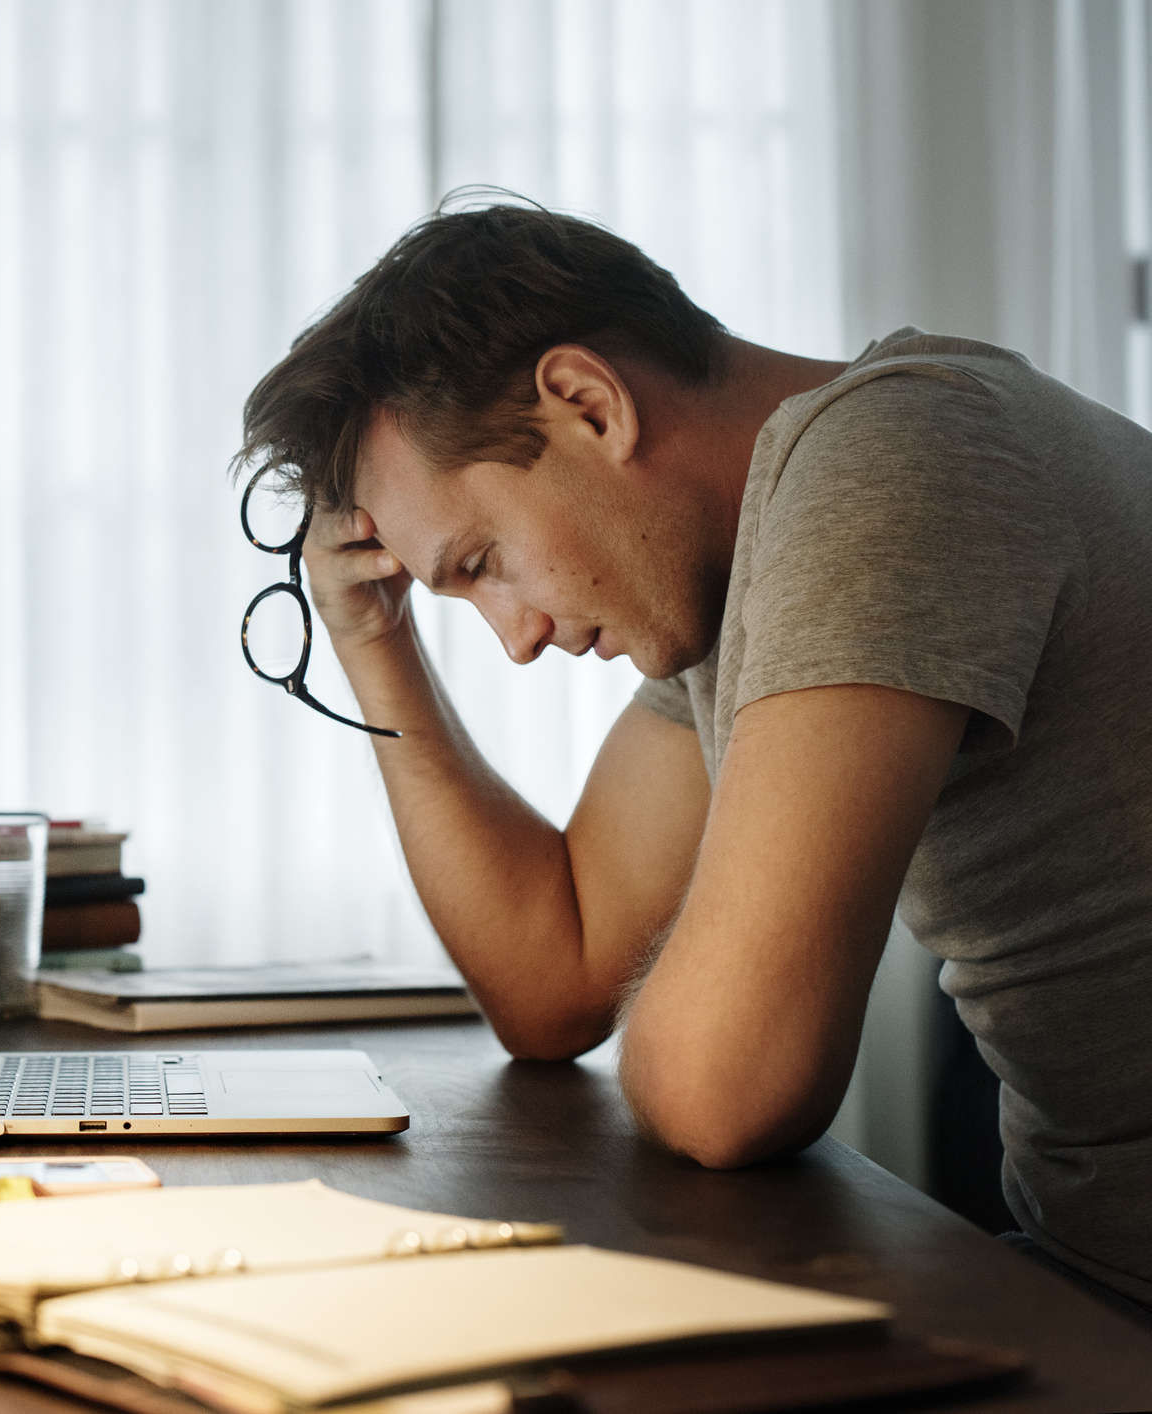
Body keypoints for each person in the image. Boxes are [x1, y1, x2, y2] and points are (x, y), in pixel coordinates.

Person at [236, 200, 1152, 1315]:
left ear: (587, 403)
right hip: (1083, 1272)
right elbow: (555, 979)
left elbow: (730, 1084)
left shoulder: (898, 457)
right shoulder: (741, 571)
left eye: (484, 562)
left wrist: (701, 1003)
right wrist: (371, 637)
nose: (518, 638)